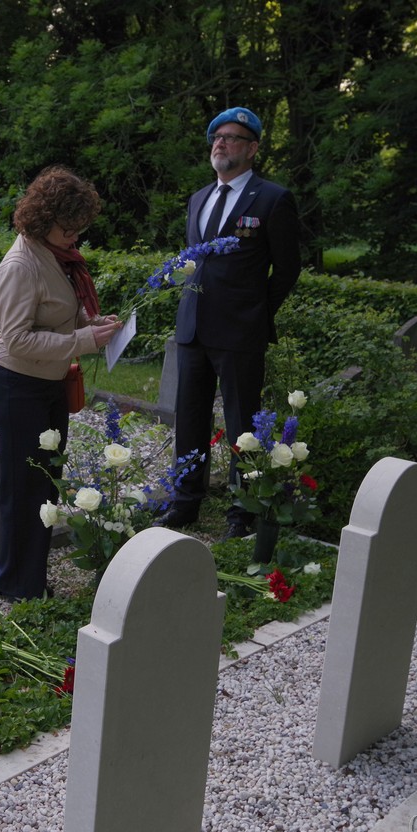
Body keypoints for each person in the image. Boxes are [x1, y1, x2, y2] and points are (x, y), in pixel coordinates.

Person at [0, 165, 123, 602]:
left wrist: (91, 323)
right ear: (44, 220)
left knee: (47, 483)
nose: (75, 236)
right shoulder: (20, 265)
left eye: (80, 227)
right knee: (25, 487)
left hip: (47, 380)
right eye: (68, 228)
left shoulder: (55, 254)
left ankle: (31, 579)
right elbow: (17, 340)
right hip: (16, 383)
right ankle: (15, 584)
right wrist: (83, 340)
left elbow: (58, 313)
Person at [161, 106, 302, 538]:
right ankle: (185, 501)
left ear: (252, 148)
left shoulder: (273, 199)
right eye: (217, 137)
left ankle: (243, 511)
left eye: (232, 138)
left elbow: (288, 269)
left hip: (240, 332)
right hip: (193, 328)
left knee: (243, 424)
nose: (221, 143)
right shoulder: (199, 198)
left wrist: (256, 311)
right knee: (189, 418)